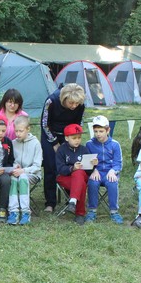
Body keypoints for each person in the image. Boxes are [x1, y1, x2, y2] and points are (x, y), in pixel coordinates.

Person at [41, 83, 86, 212]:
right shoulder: (51, 101)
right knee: (50, 166)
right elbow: (44, 124)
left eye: (76, 103)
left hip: (70, 135)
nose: (74, 106)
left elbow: (79, 123)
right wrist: (55, 143)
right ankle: (50, 202)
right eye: (71, 103)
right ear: (64, 99)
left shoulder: (80, 104)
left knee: (71, 163)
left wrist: (73, 138)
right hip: (50, 134)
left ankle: (71, 197)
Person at [84, 115, 123, 224]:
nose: (98, 134)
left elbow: (118, 163)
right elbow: (87, 161)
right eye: (95, 131)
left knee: (112, 183)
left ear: (108, 130)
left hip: (110, 172)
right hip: (96, 172)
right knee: (92, 183)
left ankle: (114, 211)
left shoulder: (115, 144)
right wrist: (93, 170)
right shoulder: (89, 144)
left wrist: (113, 171)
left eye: (101, 131)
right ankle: (92, 210)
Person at [8, 115, 42, 226]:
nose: (18, 134)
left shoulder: (35, 143)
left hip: (32, 174)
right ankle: (13, 211)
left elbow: (37, 166)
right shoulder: (13, 143)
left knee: (22, 178)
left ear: (28, 129)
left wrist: (23, 171)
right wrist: (15, 166)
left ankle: (26, 212)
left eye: (21, 131)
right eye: (16, 131)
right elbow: (11, 161)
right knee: (13, 178)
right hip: (17, 173)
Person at [55, 123, 90, 225]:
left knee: (79, 173)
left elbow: (88, 171)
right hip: (65, 177)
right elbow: (60, 169)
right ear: (66, 138)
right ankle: (80, 214)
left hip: (81, 176)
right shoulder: (61, 150)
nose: (77, 140)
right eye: (74, 138)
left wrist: (93, 165)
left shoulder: (84, 149)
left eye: (79, 138)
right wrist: (72, 168)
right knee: (81, 184)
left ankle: (73, 201)